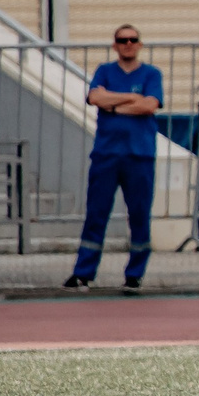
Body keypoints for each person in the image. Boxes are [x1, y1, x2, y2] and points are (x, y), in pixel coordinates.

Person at [65, 24, 163, 293]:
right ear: (115, 45)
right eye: (122, 40)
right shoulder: (105, 71)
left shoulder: (152, 74)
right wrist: (131, 97)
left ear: (140, 44)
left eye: (132, 40)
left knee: (139, 215)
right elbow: (95, 97)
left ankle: (135, 274)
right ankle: (83, 273)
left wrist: (113, 104)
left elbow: (149, 105)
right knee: (97, 213)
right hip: (106, 155)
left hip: (139, 155)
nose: (128, 44)